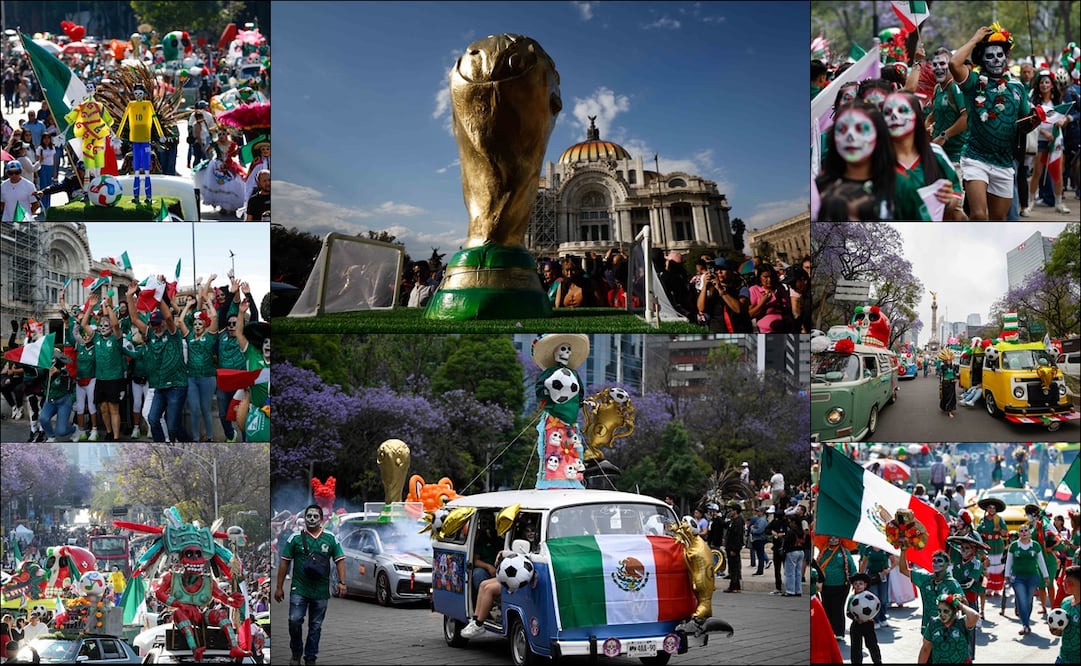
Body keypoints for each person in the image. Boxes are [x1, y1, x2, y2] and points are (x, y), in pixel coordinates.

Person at [949, 24, 1035, 220]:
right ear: (982, 60)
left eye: (999, 55)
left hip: (1004, 162)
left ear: (1006, 57)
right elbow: (954, 63)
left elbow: (1024, 123)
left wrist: (1035, 121)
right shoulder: (974, 82)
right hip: (975, 157)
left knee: (998, 220)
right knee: (979, 215)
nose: (996, 59)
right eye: (989, 56)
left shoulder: (1017, 87)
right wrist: (975, 39)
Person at [275, 504, 346, 666]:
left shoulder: (330, 538)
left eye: (315, 516)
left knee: (315, 626)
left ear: (321, 519)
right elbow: (284, 563)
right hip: (299, 588)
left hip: (321, 590)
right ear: (304, 518)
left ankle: (310, 657)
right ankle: (296, 652)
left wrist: (342, 582)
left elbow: (340, 560)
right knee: (294, 620)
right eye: (309, 516)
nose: (312, 519)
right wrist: (279, 587)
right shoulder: (294, 538)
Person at [885, 91, 965, 220]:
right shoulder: (877, 159)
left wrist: (948, 200)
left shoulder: (936, 154)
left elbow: (955, 196)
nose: (894, 116)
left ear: (917, 116)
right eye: (887, 112)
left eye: (902, 110)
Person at [815, 101, 896, 220]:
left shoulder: (901, 185)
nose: (850, 137)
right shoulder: (819, 189)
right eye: (842, 129)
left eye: (860, 129)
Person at [461, 517, 540, 639]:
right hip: (513, 579)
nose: (531, 533)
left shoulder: (538, 545)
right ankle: (476, 621)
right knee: (483, 584)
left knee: (489, 589)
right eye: (528, 530)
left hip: (521, 582)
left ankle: (479, 623)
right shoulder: (519, 542)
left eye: (533, 530)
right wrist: (503, 553)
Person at [128, 292, 190, 443]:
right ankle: (162, 448)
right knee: (152, 418)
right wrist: (129, 296)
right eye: (153, 325)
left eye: (158, 324)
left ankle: (190, 446)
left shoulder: (173, 334)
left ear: (164, 323)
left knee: (173, 427)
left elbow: (168, 317)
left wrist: (158, 297)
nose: (156, 327)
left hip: (176, 385)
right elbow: (135, 319)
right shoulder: (151, 335)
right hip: (160, 387)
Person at [1025, 69, 1072, 215]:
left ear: (1052, 85)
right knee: (1037, 172)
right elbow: (1031, 120)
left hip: (1056, 141)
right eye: (1041, 82)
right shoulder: (1034, 102)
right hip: (1040, 141)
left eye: (1047, 82)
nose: (1044, 85)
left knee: (1057, 171)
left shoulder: (1058, 101)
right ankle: (1030, 202)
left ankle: (1059, 202)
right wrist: (1045, 132)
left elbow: (1064, 116)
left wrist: (1063, 120)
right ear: (1038, 85)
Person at [116, 83, 165, 204]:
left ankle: (148, 197)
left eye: (140, 93)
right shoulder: (131, 105)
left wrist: (161, 134)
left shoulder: (148, 105)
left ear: (144, 94)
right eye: (136, 93)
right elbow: (124, 119)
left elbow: (154, 119)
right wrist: (117, 135)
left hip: (145, 140)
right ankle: (136, 197)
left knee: (147, 170)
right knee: (136, 170)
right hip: (135, 140)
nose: (138, 95)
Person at [899, 547, 965, 633]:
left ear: (947, 564)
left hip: (947, 629)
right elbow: (903, 570)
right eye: (934, 561)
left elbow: (964, 602)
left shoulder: (952, 583)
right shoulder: (924, 578)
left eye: (940, 561)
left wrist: (958, 600)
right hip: (928, 626)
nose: (936, 563)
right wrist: (903, 551)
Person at [1005, 522, 1050, 635]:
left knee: (1029, 601)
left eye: (1026, 530)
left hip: (1033, 577)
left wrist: (1046, 576)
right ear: (1019, 533)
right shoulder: (1014, 546)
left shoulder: (1035, 545)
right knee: (1022, 600)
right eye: (1021, 531)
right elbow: (1009, 561)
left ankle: (1026, 621)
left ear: (1030, 533)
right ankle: (1025, 625)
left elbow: (1041, 561)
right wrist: (1007, 575)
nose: (1024, 533)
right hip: (1017, 578)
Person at [918, 593, 980, 664]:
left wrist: (959, 605)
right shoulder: (933, 624)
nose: (942, 614)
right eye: (939, 611)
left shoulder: (962, 623)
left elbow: (975, 615)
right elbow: (925, 648)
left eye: (946, 611)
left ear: (954, 611)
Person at [697, 258, 752, 333]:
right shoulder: (711, 290)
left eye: (723, 269)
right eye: (716, 270)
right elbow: (701, 308)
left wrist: (721, 290)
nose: (719, 272)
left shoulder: (740, 288)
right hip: (717, 330)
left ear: (730, 271)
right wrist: (705, 286)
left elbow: (738, 309)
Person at [818, 536, 856, 638]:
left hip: (841, 586)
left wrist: (855, 582)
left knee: (838, 609)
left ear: (840, 539)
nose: (833, 540)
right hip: (825, 587)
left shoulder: (844, 552)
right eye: (831, 538)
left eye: (836, 538)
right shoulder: (823, 551)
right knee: (826, 609)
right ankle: (828, 632)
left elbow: (852, 568)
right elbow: (818, 565)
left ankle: (839, 633)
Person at [37, 350, 76, 442]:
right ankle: (51, 437)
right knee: (43, 418)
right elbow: (36, 373)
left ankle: (74, 429)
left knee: (61, 431)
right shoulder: (45, 370)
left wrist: (58, 372)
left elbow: (66, 376)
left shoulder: (63, 371)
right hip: (50, 401)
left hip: (63, 402)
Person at [847, 573, 882, 665]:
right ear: (853, 586)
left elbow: (875, 608)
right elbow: (848, 613)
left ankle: (877, 661)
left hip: (868, 624)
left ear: (865, 585)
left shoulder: (870, 597)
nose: (858, 586)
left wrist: (870, 617)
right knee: (856, 647)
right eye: (856, 584)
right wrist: (855, 618)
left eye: (860, 584)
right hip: (856, 625)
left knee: (872, 644)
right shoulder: (852, 598)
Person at [858, 544, 895, 628]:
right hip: (871, 575)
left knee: (883, 597)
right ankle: (875, 620)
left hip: (883, 575)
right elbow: (864, 562)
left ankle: (883, 618)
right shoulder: (868, 549)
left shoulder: (885, 548)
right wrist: (860, 576)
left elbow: (894, 562)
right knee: (874, 597)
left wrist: (888, 570)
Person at [1049, 565, 1080, 665]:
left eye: (1069, 583)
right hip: (1063, 657)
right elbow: (1066, 630)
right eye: (1064, 581)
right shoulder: (1065, 602)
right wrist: (1057, 632)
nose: (1064, 585)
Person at [723, 503, 744, 593]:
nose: (730, 512)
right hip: (729, 546)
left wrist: (734, 549)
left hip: (734, 547)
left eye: (731, 510)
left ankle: (734, 586)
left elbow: (737, 536)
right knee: (732, 567)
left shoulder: (738, 521)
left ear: (736, 511)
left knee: (734, 567)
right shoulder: (733, 520)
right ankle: (735, 585)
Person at [782, 513, 805, 597]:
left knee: (790, 572)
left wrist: (784, 550)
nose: (789, 523)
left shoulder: (791, 532)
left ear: (794, 522)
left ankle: (790, 590)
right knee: (798, 572)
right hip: (801, 551)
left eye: (790, 521)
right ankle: (798, 590)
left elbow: (786, 542)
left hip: (792, 551)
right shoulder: (801, 531)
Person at [749, 506, 769, 576]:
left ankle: (760, 571)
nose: (757, 513)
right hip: (757, 539)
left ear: (762, 512)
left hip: (759, 539)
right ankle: (759, 570)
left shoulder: (762, 521)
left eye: (758, 511)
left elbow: (759, 530)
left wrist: (752, 529)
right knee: (759, 555)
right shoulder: (759, 519)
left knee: (760, 555)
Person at [938, 350, 958, 418]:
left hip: (952, 383)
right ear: (945, 360)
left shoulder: (953, 367)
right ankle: (944, 407)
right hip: (945, 383)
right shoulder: (943, 367)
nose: (949, 361)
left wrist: (955, 379)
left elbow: (954, 374)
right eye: (948, 360)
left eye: (950, 360)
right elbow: (941, 374)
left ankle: (949, 411)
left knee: (951, 397)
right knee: (946, 397)